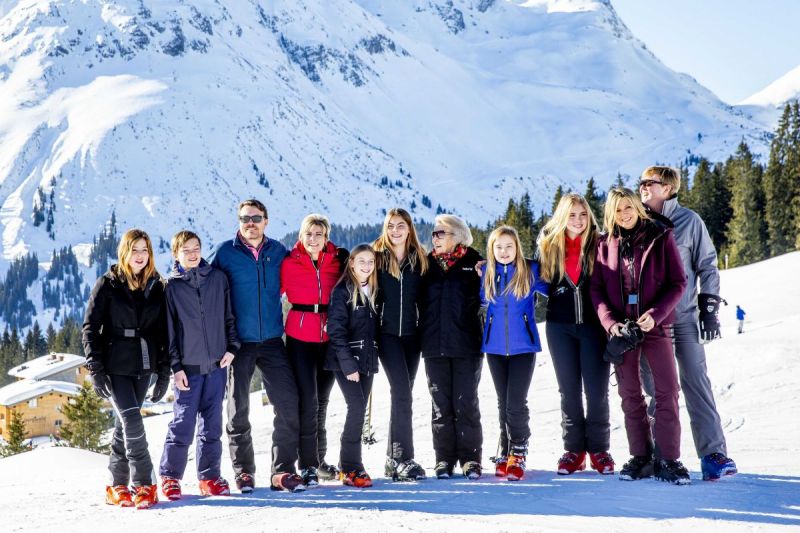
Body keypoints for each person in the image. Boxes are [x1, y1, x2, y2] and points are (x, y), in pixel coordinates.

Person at [638, 166, 738, 480]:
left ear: (667, 188)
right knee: (656, 389)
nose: (642, 187)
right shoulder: (634, 222)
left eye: (649, 183)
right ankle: (661, 454)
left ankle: (713, 455)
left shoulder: (689, 222)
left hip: (683, 317)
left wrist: (709, 307)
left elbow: (708, 266)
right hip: (650, 322)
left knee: (696, 381)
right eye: (641, 182)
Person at [590, 187, 690, 485]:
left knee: (666, 391)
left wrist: (655, 314)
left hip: (655, 327)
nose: (624, 213)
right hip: (623, 332)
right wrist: (610, 324)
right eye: (618, 209)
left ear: (637, 207)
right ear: (611, 213)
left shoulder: (660, 236)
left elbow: (678, 282)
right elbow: (596, 291)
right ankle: (641, 457)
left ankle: (669, 459)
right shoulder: (604, 244)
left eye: (629, 207)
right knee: (630, 394)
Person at [211, 199, 304, 493]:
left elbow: (302, 273)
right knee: (238, 410)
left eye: (256, 218)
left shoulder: (278, 252)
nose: (250, 223)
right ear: (239, 222)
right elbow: (210, 288)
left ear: (266, 220)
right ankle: (244, 473)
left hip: (274, 341)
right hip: (239, 343)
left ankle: (282, 472)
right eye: (245, 218)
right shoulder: (226, 253)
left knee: (288, 405)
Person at [83, 229, 170, 510]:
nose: (140, 256)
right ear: (124, 252)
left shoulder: (157, 286)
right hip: (115, 364)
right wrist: (95, 369)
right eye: (135, 250)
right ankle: (144, 483)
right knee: (133, 421)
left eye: (145, 250)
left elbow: (163, 333)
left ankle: (116, 485)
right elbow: (90, 328)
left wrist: (163, 373)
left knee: (123, 426)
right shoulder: (107, 284)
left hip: (144, 364)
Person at [537, 194, 615, 476]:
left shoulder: (600, 242)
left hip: (594, 327)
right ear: (562, 216)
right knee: (568, 391)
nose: (578, 220)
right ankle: (573, 451)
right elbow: (535, 278)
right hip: (560, 327)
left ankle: (599, 450)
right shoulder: (548, 245)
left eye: (583, 214)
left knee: (597, 391)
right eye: (572, 215)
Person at [159, 231, 240, 499]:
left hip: (217, 365)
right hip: (188, 369)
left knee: (212, 424)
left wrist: (231, 347)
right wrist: (176, 367)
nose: (193, 254)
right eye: (186, 250)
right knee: (182, 423)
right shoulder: (171, 287)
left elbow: (229, 316)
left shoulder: (217, 279)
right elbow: (168, 332)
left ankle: (209, 477)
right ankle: (170, 476)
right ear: (176, 254)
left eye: (196, 248)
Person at [281, 214, 347, 486]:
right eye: (308, 234)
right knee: (308, 402)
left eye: (318, 234)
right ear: (301, 236)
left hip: (329, 338)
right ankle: (306, 465)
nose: (313, 239)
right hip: (300, 337)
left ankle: (319, 462)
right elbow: (270, 292)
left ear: (326, 237)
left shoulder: (337, 261)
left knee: (322, 402)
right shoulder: (289, 263)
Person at [479, 226, 548, 481]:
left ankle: (519, 450)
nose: (504, 252)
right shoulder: (486, 272)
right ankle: (506, 450)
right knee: (502, 402)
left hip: (523, 346)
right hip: (494, 348)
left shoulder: (529, 271)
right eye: (499, 247)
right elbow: (477, 298)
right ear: (492, 250)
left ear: (517, 247)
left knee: (515, 402)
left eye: (509, 246)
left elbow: (554, 286)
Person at [419, 214, 484, 480]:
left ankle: (470, 459)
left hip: (466, 344)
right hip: (433, 344)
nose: (435, 238)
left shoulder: (475, 263)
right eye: (434, 234)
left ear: (457, 235)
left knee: (465, 403)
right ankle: (443, 459)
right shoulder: (426, 265)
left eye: (440, 233)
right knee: (440, 406)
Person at [373, 208, 429, 481]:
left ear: (409, 229)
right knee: (402, 392)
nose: (395, 231)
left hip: (412, 336)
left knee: (402, 395)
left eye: (400, 226)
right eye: (390, 226)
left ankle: (391, 460)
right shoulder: (377, 257)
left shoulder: (419, 259)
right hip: (386, 336)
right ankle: (403, 458)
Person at [325, 244, 381, 487]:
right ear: (352, 263)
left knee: (360, 412)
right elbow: (336, 331)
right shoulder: (343, 291)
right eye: (362, 262)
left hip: (367, 359)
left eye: (370, 262)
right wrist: (349, 366)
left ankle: (347, 465)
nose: (366, 266)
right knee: (356, 408)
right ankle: (351, 468)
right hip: (345, 361)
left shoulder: (375, 290)